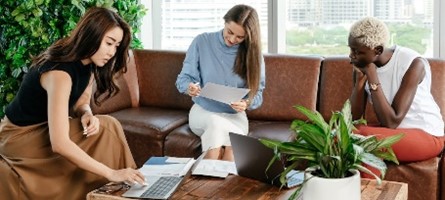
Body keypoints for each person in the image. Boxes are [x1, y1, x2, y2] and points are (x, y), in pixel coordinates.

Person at [0, 7, 146, 199]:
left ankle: (123, 189)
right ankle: (121, 186)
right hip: (19, 138)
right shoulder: (59, 73)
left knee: (106, 125)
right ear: (92, 36)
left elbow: (82, 100)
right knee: (109, 129)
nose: (112, 52)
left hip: (43, 129)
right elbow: (59, 144)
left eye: (117, 46)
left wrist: (86, 113)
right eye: (109, 43)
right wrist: (111, 172)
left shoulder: (89, 63)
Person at [348, 17, 444, 168]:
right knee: (344, 133)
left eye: (357, 51)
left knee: (359, 139)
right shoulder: (363, 64)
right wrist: (360, 82)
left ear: (377, 50)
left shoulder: (413, 63)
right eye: (351, 49)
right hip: (395, 134)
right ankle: (370, 190)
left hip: (427, 135)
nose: (351, 56)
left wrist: (372, 75)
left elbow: (392, 121)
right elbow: (353, 118)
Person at [175, 4, 266, 161]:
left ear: (249, 37)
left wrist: (246, 103)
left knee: (229, 148)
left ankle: (206, 177)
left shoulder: (253, 55)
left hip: (235, 116)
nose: (232, 39)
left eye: (239, 37)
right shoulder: (202, 42)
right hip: (203, 111)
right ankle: (209, 176)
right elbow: (183, 79)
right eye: (229, 32)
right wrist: (189, 87)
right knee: (216, 124)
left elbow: (258, 93)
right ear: (224, 22)